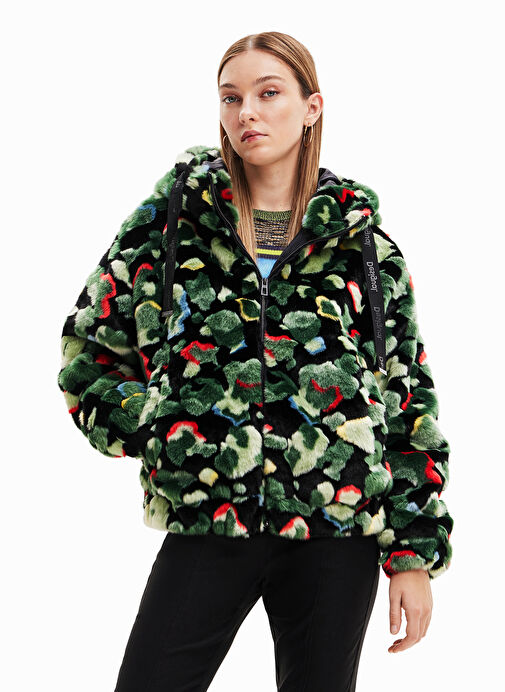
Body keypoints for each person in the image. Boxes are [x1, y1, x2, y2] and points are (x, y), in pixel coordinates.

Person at [57, 31, 454, 692]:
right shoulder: (170, 227)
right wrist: (157, 426)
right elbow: (87, 350)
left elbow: (407, 398)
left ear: (311, 107)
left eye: (269, 93)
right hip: (209, 518)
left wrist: (412, 554)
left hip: (338, 527)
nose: (247, 112)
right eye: (231, 97)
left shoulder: (364, 248)